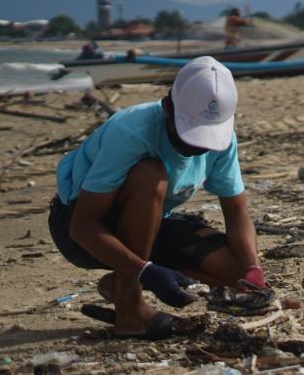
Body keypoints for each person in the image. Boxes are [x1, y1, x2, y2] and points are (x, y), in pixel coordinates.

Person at [47, 56, 265, 339]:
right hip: (81, 228)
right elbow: (83, 227)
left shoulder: (224, 140)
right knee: (151, 174)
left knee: (233, 271)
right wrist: (145, 271)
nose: (198, 147)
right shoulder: (131, 132)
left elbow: (237, 215)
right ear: (167, 108)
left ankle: (119, 283)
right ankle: (130, 309)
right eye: (190, 137)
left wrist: (252, 271)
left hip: (150, 222)